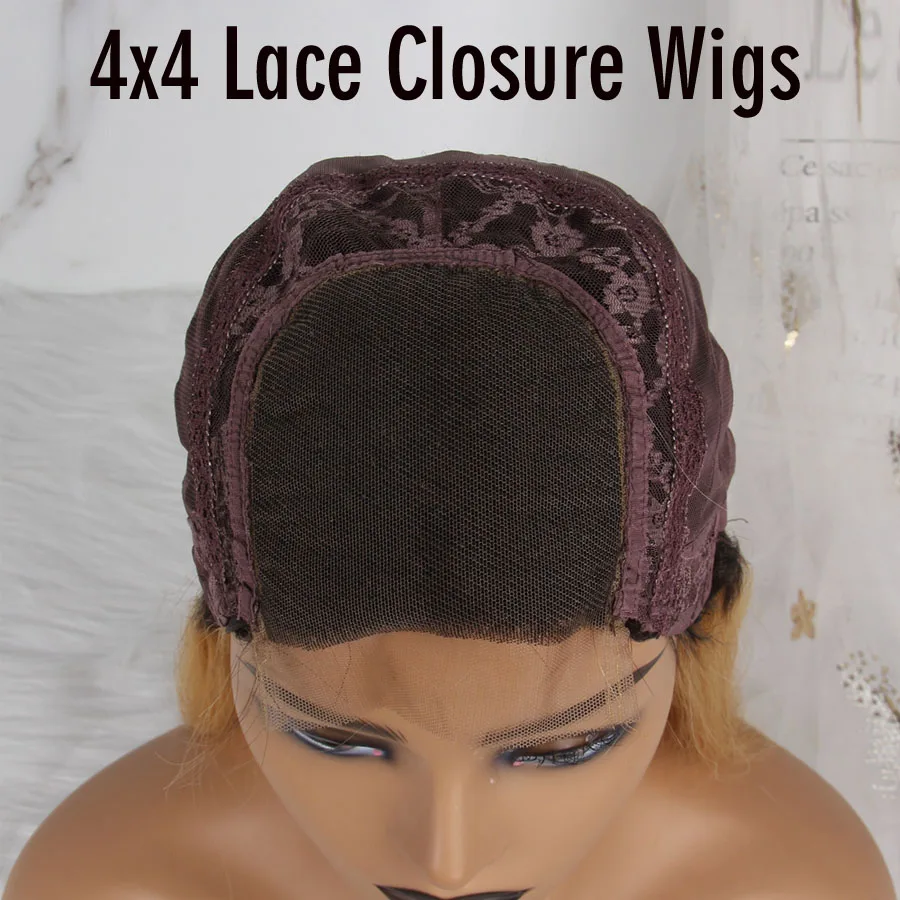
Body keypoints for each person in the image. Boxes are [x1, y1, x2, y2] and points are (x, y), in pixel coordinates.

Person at [3, 151, 896, 900]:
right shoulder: (105, 882)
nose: (446, 863)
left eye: (565, 746)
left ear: (701, 633)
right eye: (334, 738)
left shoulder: (796, 883)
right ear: (223, 644)